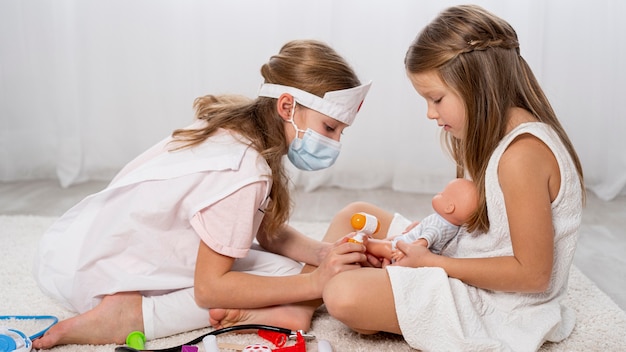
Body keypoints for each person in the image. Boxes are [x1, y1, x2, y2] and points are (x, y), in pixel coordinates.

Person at [32, 39, 372, 349]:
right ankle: (133, 314)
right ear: (286, 107)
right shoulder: (245, 171)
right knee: (290, 278)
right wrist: (316, 283)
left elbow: (266, 230)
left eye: (340, 132)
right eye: (329, 128)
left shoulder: (236, 130)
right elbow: (210, 288)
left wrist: (326, 253)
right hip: (108, 273)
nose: (334, 143)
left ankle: (280, 312)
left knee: (288, 272)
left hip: (95, 249)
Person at [322, 5, 585, 352]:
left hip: (501, 303)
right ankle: (300, 297)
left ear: (477, 85)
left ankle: (328, 296)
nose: (431, 113)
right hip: (465, 259)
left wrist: (433, 264)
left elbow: (533, 275)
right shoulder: (501, 139)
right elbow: (493, 228)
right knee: (351, 215)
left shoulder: (522, 157)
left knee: (345, 294)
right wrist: (432, 235)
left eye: (436, 99)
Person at [364, 178, 478, 262]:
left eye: (442, 194)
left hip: (404, 251)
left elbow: (421, 243)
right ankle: (378, 248)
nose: (439, 193)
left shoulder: (436, 228)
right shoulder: (452, 226)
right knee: (391, 239)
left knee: (384, 247)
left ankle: (366, 244)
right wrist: (420, 226)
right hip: (406, 240)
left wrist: (402, 252)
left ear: (449, 208)